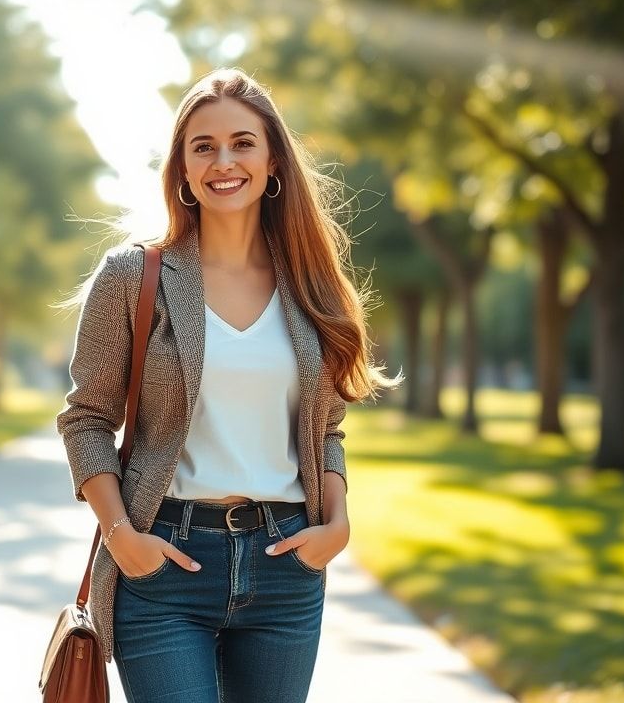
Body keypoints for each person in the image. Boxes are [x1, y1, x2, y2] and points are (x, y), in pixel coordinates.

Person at [56, 68, 399, 703]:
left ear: (273, 161)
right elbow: (86, 419)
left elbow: (324, 429)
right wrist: (122, 536)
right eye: (203, 146)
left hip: (286, 570)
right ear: (182, 169)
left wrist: (339, 524)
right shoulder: (134, 277)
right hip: (165, 569)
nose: (224, 161)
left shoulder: (311, 285)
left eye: (243, 142)